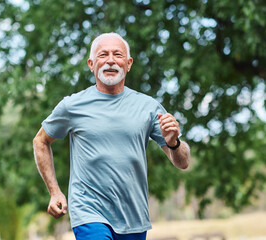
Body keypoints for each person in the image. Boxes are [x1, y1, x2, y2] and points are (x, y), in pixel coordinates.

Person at [33, 32, 190, 240]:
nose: (110, 61)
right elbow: (41, 141)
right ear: (91, 64)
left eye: (117, 55)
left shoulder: (149, 108)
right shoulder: (73, 105)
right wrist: (55, 191)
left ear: (128, 63)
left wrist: (174, 142)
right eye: (102, 55)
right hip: (88, 211)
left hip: (133, 216)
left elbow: (183, 162)